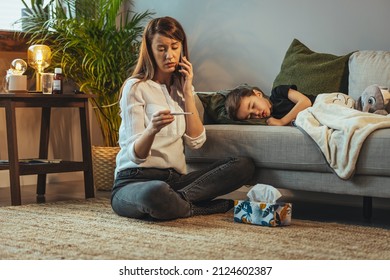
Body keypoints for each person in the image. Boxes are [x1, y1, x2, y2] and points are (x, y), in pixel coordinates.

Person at [111, 16, 255, 220]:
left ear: (182, 49)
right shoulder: (135, 87)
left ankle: (175, 202)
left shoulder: (183, 89)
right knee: (155, 193)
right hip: (134, 181)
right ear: (150, 51)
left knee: (243, 165)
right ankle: (198, 207)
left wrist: (187, 92)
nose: (169, 55)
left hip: (176, 181)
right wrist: (152, 129)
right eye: (161, 48)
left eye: (174, 47)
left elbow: (196, 141)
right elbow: (136, 155)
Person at [225, 85, 315, 126]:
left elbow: (305, 102)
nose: (256, 113)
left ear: (258, 94)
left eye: (252, 106)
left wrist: (282, 121)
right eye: (250, 116)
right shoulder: (271, 120)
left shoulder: (277, 92)